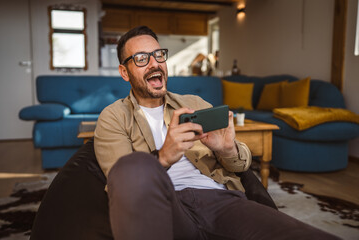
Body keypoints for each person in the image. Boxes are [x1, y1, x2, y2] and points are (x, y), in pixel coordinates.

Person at [94, 26, 339, 240]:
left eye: (158, 55)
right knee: (132, 167)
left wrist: (227, 149)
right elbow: (121, 181)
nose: (154, 63)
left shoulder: (194, 103)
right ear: (124, 72)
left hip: (219, 201)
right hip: (166, 207)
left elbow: (242, 161)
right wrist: (163, 158)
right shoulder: (114, 117)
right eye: (141, 58)